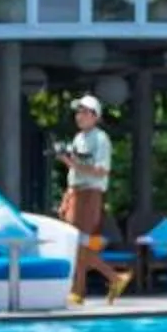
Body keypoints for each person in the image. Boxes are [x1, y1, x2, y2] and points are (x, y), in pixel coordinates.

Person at [50, 94, 130, 306]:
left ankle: (113, 277)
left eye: (84, 112)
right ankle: (79, 291)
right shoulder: (78, 138)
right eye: (78, 112)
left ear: (95, 116)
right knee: (78, 244)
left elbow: (101, 171)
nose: (79, 116)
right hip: (76, 193)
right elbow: (75, 170)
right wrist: (68, 195)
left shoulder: (100, 139)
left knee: (77, 244)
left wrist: (71, 163)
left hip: (89, 194)